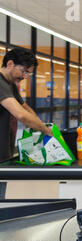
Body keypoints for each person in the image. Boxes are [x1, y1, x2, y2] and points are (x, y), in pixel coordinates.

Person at [0, 48, 53, 199]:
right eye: (23, 71)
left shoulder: (9, 84)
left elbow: (24, 107)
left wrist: (41, 124)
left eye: (28, 73)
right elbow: (20, 114)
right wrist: (45, 130)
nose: (24, 76)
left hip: (4, 153)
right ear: (10, 63)